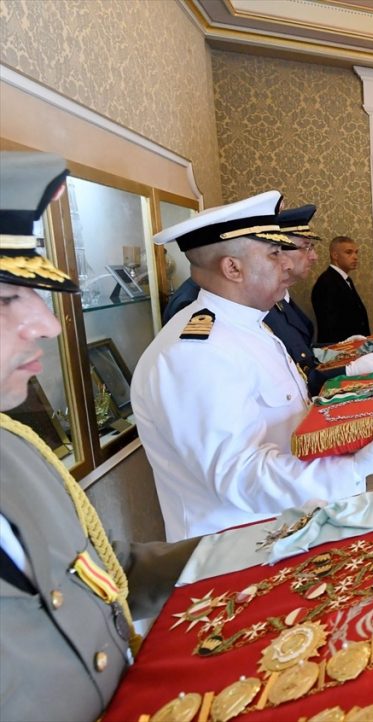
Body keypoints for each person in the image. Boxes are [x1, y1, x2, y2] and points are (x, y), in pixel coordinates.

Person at [0, 152, 199, 721]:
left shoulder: (16, 448)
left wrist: (275, 546)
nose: (48, 324)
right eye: (6, 298)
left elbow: (106, 573)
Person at [131, 191, 373, 542]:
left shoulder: (249, 324)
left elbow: (289, 415)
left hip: (286, 527)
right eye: (274, 253)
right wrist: (351, 467)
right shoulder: (195, 352)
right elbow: (240, 476)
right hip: (242, 549)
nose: (286, 264)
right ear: (232, 268)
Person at [265, 206, 373, 395]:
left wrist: (342, 348)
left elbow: (304, 349)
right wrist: (348, 366)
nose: (314, 256)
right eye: (306, 247)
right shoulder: (266, 306)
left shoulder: (281, 298)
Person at [311, 235, 370, 344]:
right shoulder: (327, 282)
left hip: (354, 345)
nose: (355, 257)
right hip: (341, 348)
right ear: (335, 255)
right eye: (349, 252)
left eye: (356, 252)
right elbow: (330, 326)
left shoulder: (344, 279)